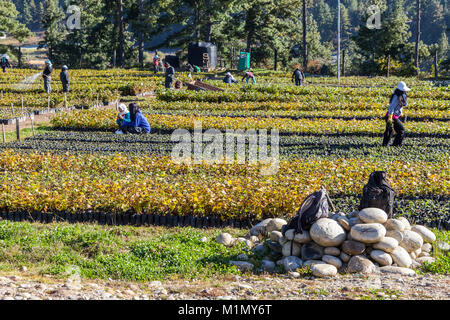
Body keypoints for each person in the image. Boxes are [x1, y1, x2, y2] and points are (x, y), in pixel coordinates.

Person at [382, 81, 411, 147]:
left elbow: (398, 107)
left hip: (394, 116)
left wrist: (401, 114)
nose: (404, 91)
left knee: (390, 131)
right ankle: (396, 145)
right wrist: (390, 117)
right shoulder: (396, 97)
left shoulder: (401, 96)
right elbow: (391, 107)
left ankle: (385, 144)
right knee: (401, 130)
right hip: (392, 116)